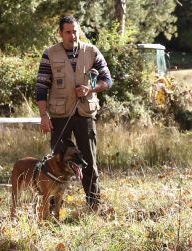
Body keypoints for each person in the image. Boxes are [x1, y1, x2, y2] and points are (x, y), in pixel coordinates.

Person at [35, 16, 112, 210]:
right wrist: (44, 116)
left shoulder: (92, 51)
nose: (72, 35)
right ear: (60, 34)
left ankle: (94, 206)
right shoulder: (49, 54)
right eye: (68, 32)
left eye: (75, 31)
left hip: (85, 113)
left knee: (88, 161)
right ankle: (52, 208)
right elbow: (41, 87)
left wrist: (90, 89)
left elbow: (107, 80)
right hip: (59, 116)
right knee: (55, 163)